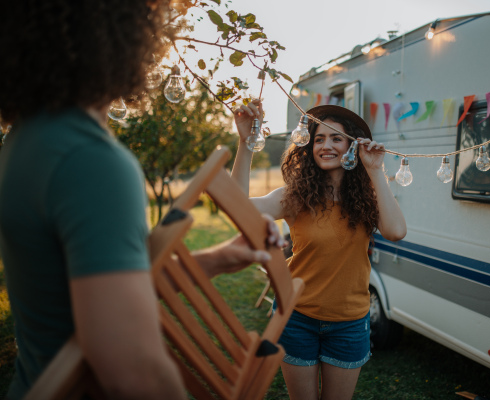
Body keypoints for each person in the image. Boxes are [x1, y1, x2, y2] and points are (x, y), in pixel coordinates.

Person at [0, 2, 285, 399]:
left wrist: (220, 257)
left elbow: (101, 291)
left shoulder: (28, 140)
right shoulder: (89, 160)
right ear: (123, 35)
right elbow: (134, 373)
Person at [232, 101, 407, 400]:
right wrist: (245, 142)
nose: (326, 146)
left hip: (349, 323)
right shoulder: (295, 196)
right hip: (296, 317)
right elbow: (237, 208)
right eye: (319, 139)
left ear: (352, 146)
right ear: (309, 147)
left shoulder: (367, 199)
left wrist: (375, 169)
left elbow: (395, 231)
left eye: (336, 138)